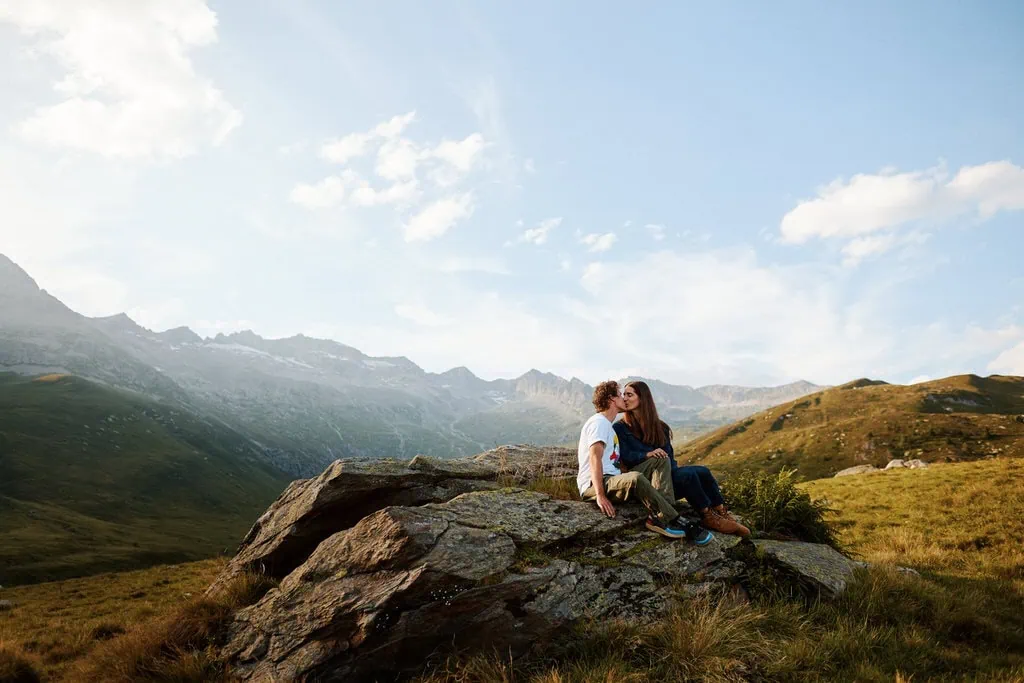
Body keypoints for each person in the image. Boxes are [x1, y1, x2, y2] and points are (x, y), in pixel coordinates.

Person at [578, 380, 712, 544]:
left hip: (612, 479)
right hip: (594, 484)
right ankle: (674, 519)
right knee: (635, 478)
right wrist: (600, 495)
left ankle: (662, 515)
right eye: (621, 395)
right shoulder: (598, 423)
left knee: (660, 459)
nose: (624, 399)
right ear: (612, 399)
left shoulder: (607, 424)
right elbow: (594, 457)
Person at [615, 380, 751, 537]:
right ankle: (707, 516)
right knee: (688, 476)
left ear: (643, 398)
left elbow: (668, 457)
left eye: (629, 394)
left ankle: (721, 512)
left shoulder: (660, 427)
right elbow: (625, 456)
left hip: (665, 475)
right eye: (624, 394)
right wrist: (646, 455)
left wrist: (672, 474)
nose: (624, 398)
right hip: (647, 481)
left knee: (703, 471)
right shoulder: (620, 428)